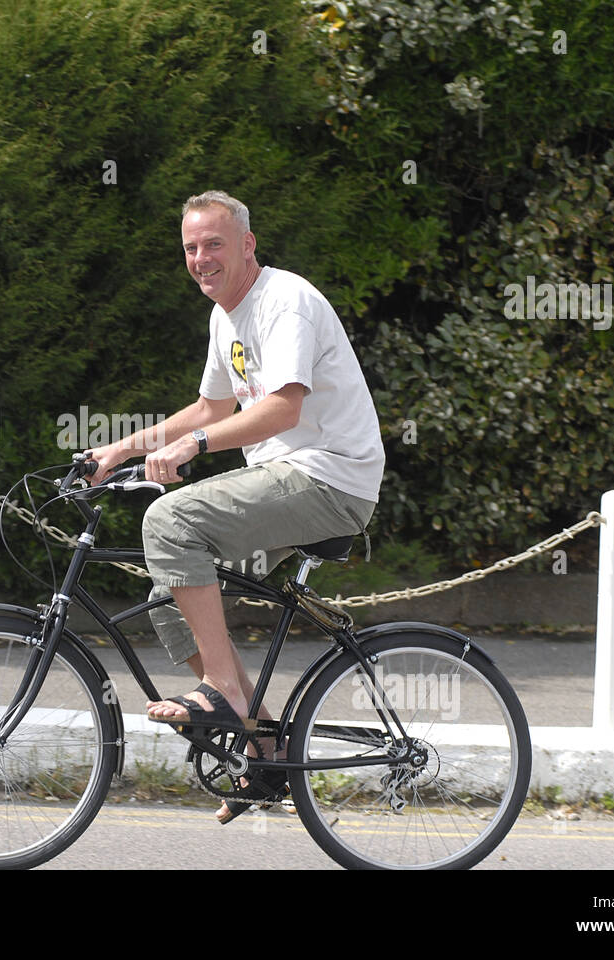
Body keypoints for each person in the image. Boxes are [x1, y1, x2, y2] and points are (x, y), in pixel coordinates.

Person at [87, 190, 384, 822]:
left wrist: (192, 448)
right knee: (169, 598)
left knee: (170, 520)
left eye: (214, 244)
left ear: (248, 244)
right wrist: (118, 449)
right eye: (191, 248)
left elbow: (283, 407)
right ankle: (265, 747)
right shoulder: (226, 317)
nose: (201, 258)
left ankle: (223, 691)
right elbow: (210, 410)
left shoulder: (286, 302)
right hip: (289, 476)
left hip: (329, 479)